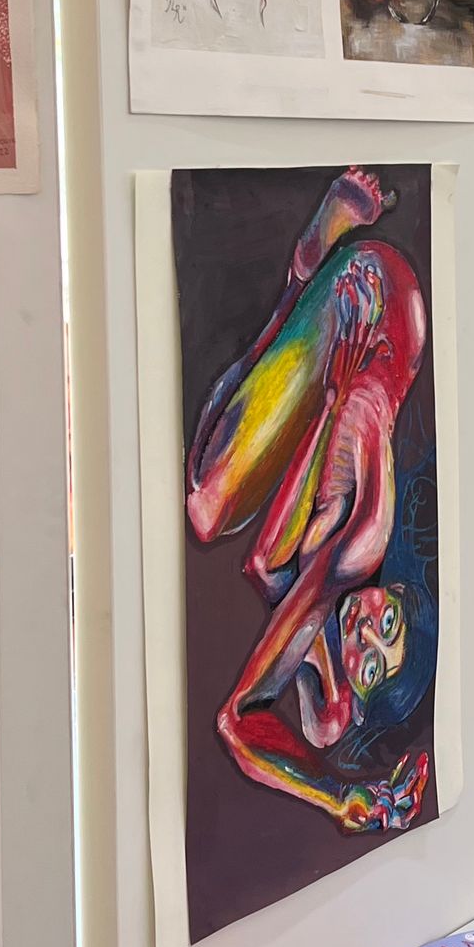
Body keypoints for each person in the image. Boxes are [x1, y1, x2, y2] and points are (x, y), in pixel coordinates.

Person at [185, 168, 437, 835]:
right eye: (390, 627)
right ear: (400, 601)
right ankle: (308, 267)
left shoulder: (332, 584)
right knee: (207, 503)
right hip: (381, 301)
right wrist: (337, 797)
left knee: (217, 521)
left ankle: (306, 283)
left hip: (366, 358)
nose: (364, 634)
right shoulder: (362, 544)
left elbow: (264, 564)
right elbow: (236, 721)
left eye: (366, 663)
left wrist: (328, 407)